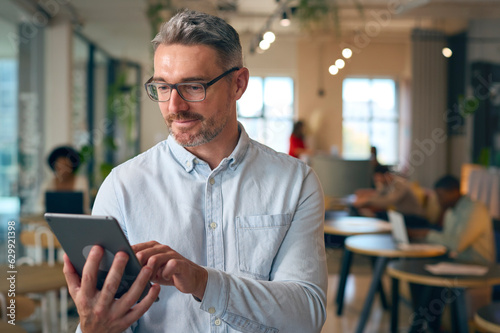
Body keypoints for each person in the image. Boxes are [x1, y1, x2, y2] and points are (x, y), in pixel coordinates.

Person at [64, 10, 327, 333]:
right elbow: (106, 316)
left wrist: (204, 282)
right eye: (162, 87)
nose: (174, 106)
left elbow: (307, 314)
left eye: (193, 86)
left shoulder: (295, 182)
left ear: (238, 84)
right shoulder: (122, 187)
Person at [408, 175, 495, 333]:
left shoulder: (476, 209)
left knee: (432, 282)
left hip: (477, 266)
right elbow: (446, 244)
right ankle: (427, 326)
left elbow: (457, 244)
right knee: (420, 271)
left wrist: (428, 233)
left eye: (441, 196)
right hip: (459, 262)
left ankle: (428, 326)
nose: (438, 201)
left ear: (454, 192)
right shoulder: (450, 212)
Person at [353, 165, 426, 226]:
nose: (377, 180)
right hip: (401, 215)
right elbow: (378, 196)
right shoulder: (386, 184)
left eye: (378, 178)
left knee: (379, 215)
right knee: (369, 213)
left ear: (387, 175)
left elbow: (389, 201)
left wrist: (367, 200)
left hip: (413, 217)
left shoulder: (399, 184)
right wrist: (365, 198)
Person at [38, 145, 90, 213]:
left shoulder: (81, 182)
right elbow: (40, 207)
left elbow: (85, 207)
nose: (63, 170)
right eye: (59, 166)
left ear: (72, 166)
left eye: (66, 166)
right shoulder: (47, 184)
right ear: (54, 167)